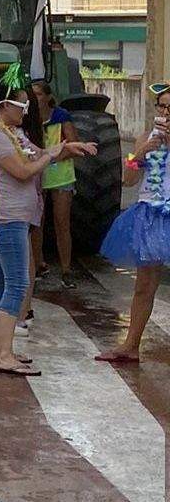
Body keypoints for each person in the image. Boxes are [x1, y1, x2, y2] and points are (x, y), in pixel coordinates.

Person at [0, 81, 92, 377]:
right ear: (5, 105)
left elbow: (37, 154)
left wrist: (65, 148)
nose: (28, 110)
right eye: (22, 105)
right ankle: (3, 352)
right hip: (8, 217)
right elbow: (23, 170)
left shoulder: (14, 133)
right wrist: (50, 156)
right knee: (17, 282)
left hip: (17, 215)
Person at [96, 82, 170, 365]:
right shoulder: (146, 138)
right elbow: (128, 180)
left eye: (169, 108)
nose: (164, 113)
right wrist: (140, 154)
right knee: (144, 285)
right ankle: (131, 344)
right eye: (161, 106)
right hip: (150, 216)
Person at [28, 79, 80, 288]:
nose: (35, 98)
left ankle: (66, 269)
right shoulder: (29, 118)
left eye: (39, 94)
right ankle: (39, 264)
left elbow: (74, 144)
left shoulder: (61, 116)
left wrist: (50, 157)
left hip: (60, 176)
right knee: (36, 223)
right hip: (37, 175)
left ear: (48, 97)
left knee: (61, 223)